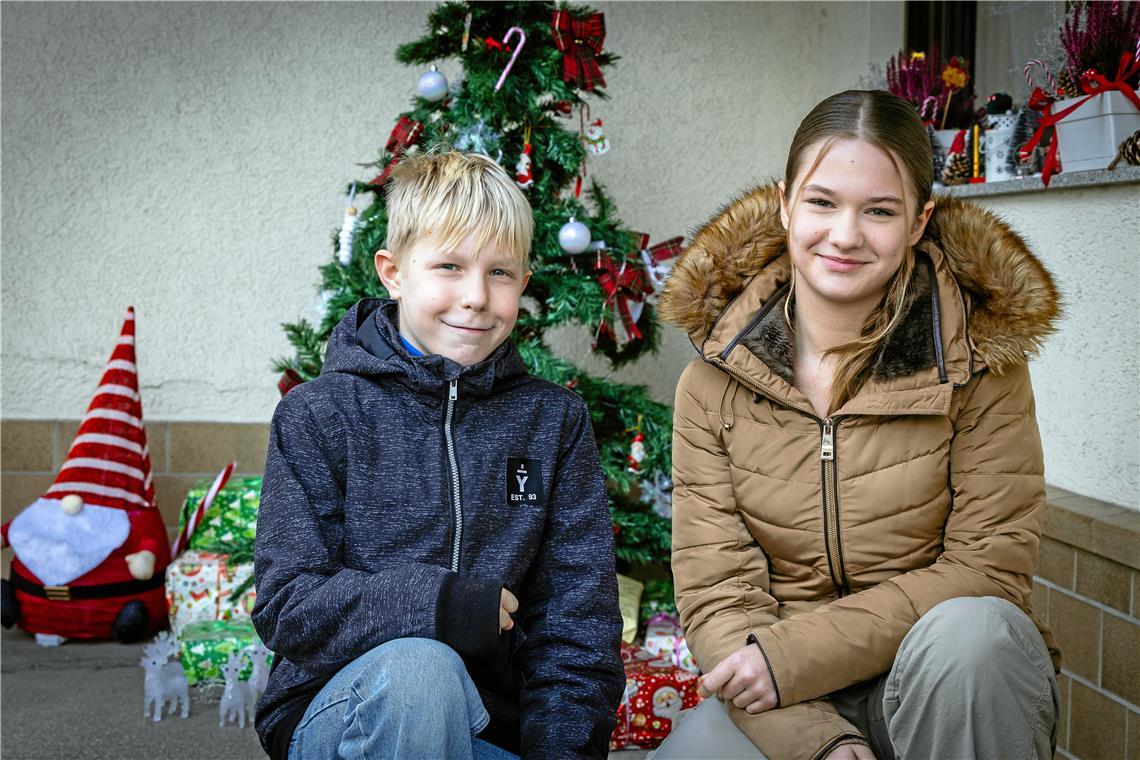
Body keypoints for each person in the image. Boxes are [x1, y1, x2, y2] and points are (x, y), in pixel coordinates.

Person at [654, 90, 1062, 760]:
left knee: (975, 634)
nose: (845, 235)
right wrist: (819, 744)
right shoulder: (711, 383)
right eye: (822, 203)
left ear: (919, 220)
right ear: (786, 204)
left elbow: (988, 571)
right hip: (785, 696)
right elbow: (718, 596)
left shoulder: (979, 367)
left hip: (939, 674)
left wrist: (792, 655)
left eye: (879, 210)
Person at [252, 151, 624, 760]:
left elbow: (577, 624)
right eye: (449, 266)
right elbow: (289, 605)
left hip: (490, 731)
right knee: (421, 673)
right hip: (341, 712)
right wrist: (441, 606)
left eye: (500, 272)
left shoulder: (553, 421)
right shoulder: (318, 414)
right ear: (394, 273)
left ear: (525, 281)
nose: (476, 296)